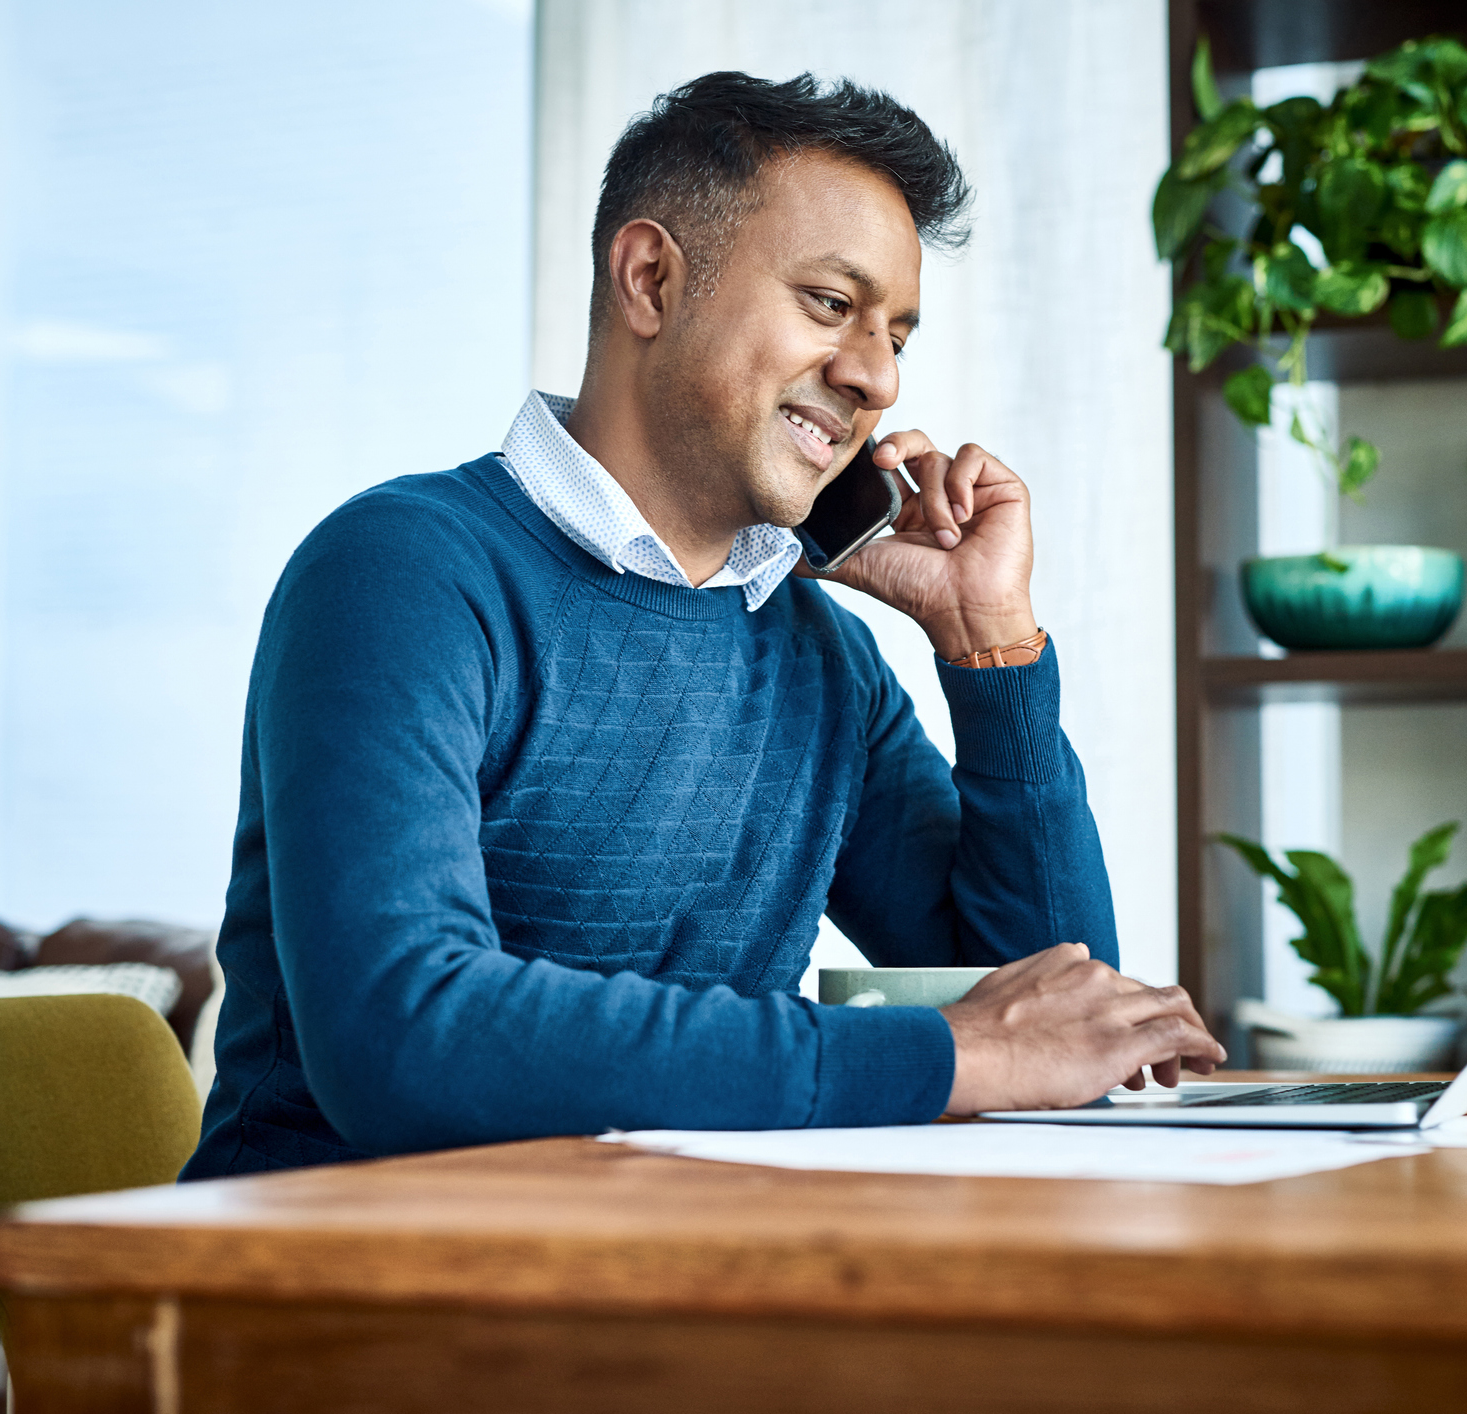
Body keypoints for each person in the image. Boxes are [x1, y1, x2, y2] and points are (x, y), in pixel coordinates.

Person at [182, 71, 1223, 1179]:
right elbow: (406, 1035)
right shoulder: (403, 572)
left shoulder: (820, 655)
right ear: (650, 279)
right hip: (329, 1285)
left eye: (897, 336)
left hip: (670, 1265)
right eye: (831, 303)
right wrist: (947, 1053)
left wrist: (990, 648)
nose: (875, 375)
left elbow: (1047, 1014)